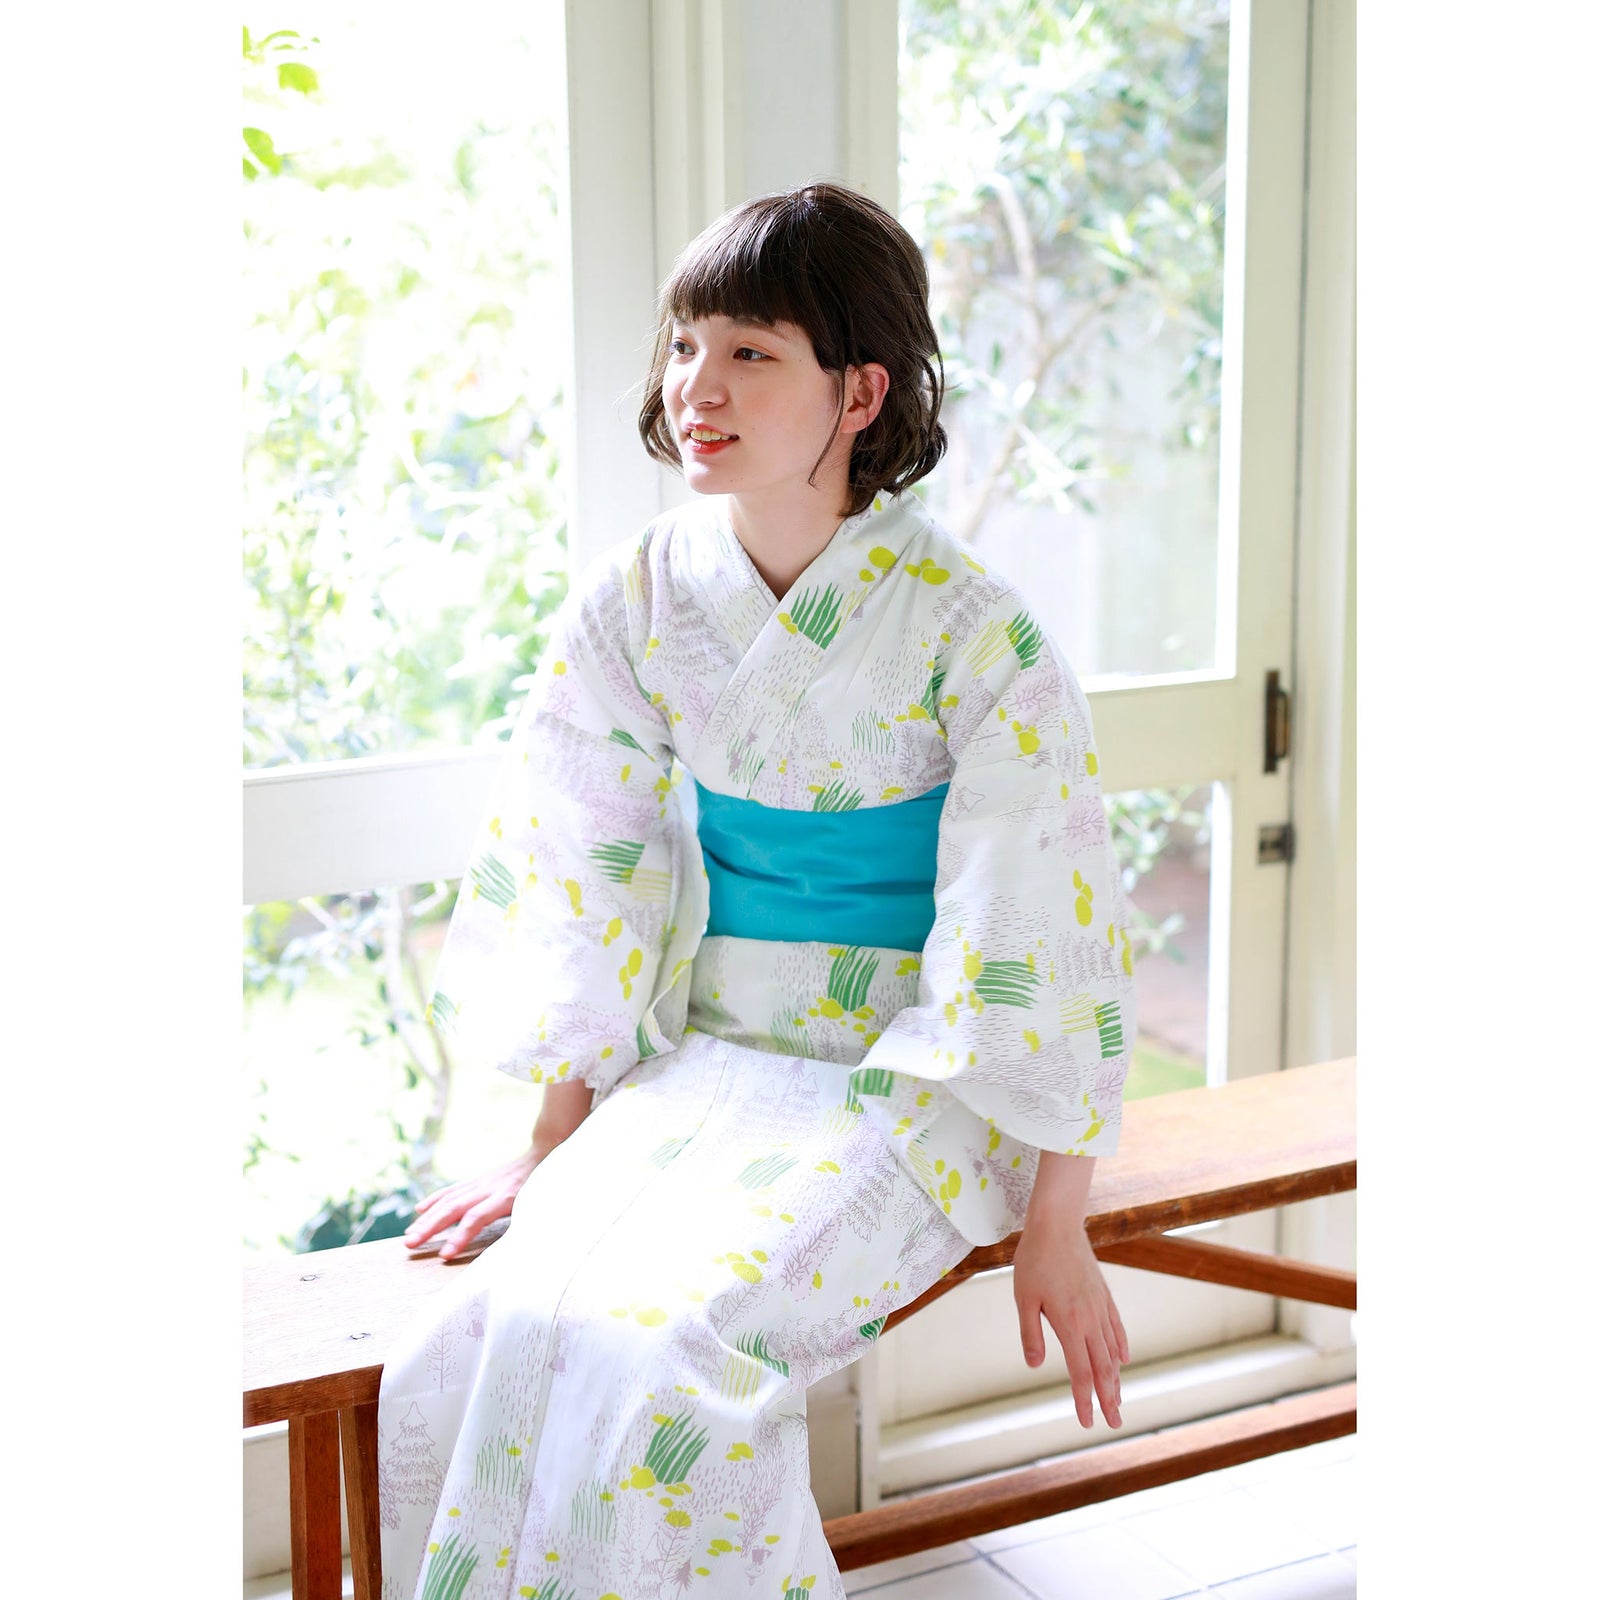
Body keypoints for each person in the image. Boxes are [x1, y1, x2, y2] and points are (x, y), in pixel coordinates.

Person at [377, 182, 1136, 1600]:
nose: (697, 387)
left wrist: (1059, 1220)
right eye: (684, 345)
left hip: (918, 1078)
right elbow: (587, 867)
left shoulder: (977, 631)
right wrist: (550, 1147)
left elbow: (1037, 914)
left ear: (862, 390)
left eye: (749, 352)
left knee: (675, 1356)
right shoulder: (638, 598)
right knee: (482, 1332)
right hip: (707, 1054)